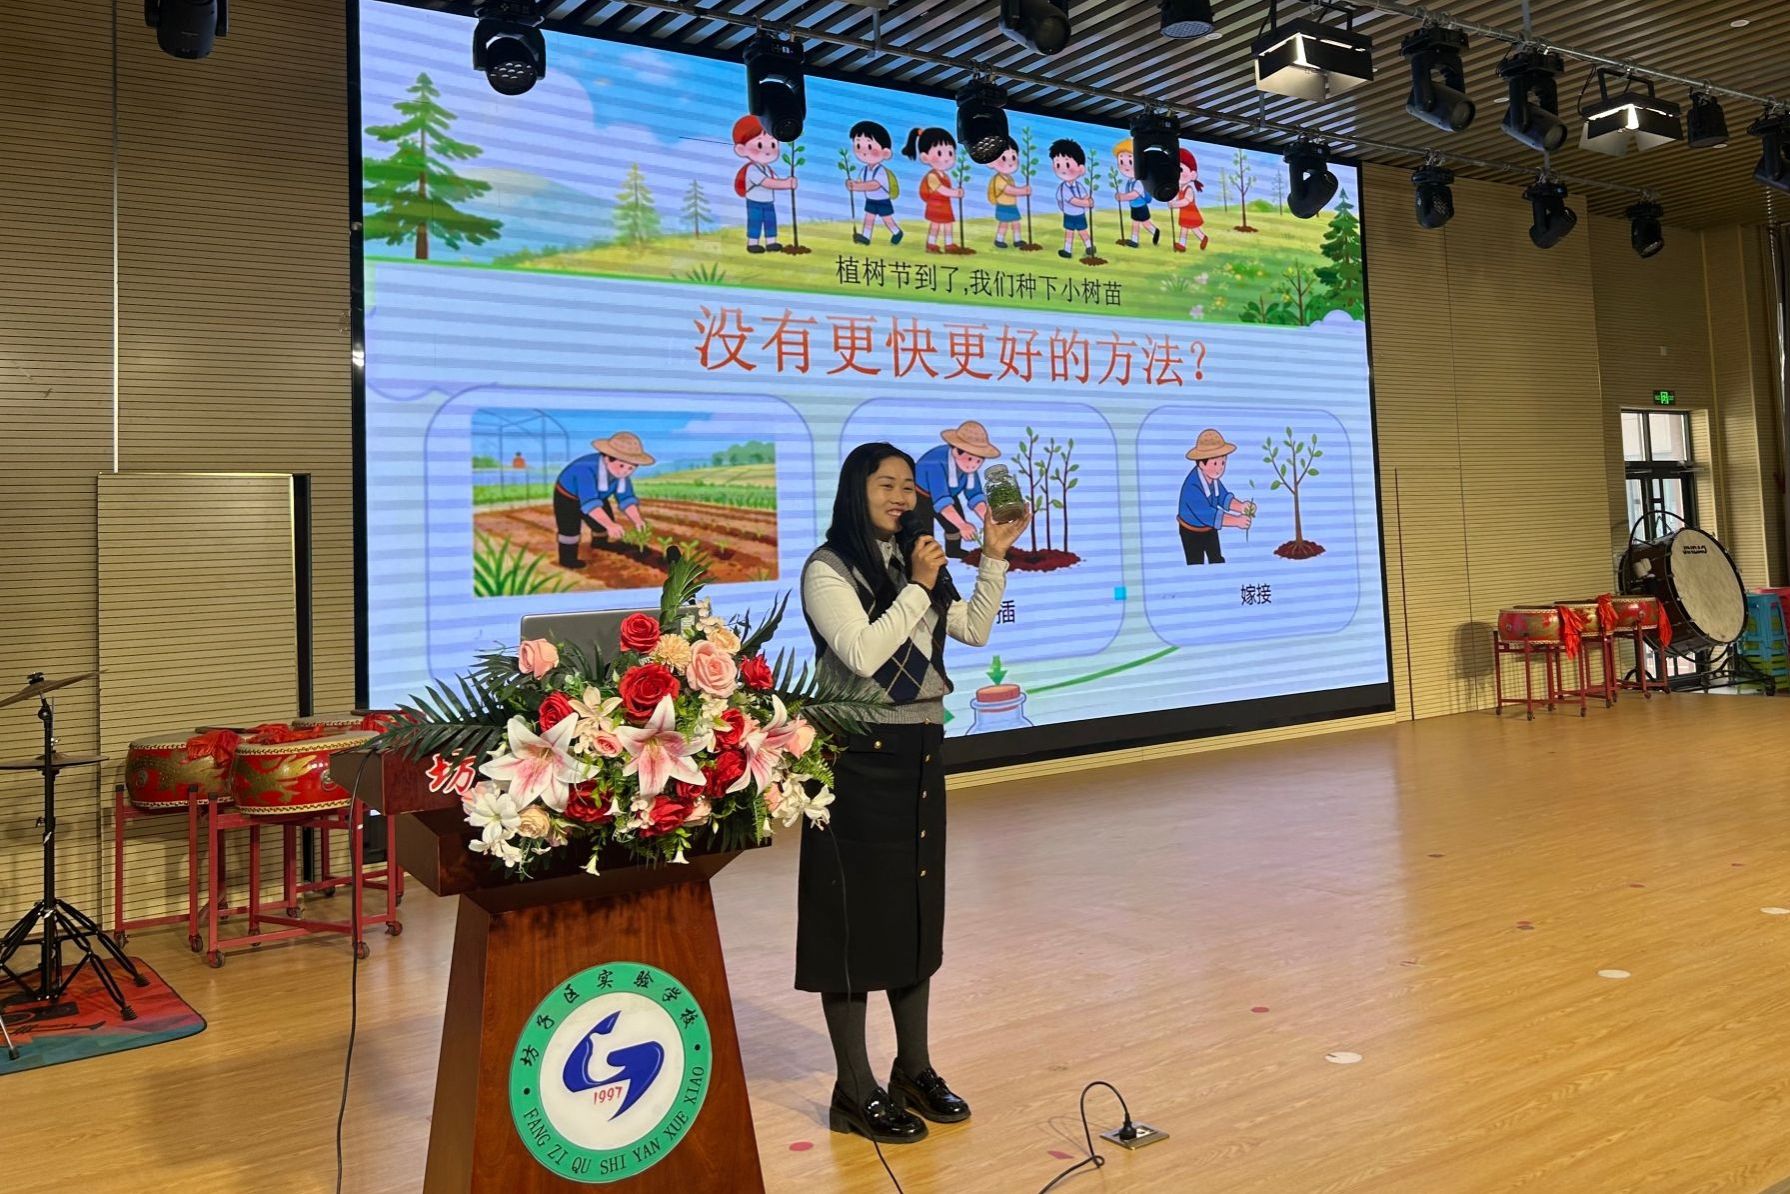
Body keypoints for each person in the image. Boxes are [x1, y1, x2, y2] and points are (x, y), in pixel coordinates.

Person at [798, 442, 1030, 1144]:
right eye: (886, 485)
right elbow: (863, 652)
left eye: (908, 486)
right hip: (853, 758)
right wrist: (918, 588)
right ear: (856, 490)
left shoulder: (916, 561)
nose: (901, 497)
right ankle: (853, 1088)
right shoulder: (827, 568)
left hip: (922, 750)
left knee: (914, 913)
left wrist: (992, 556)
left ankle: (913, 1068)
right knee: (852, 921)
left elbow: (973, 629)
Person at [553, 431, 654, 569]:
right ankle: (567, 559)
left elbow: (626, 498)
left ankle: (600, 543)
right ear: (607, 459)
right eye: (622, 466)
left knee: (601, 525)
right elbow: (590, 503)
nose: (624, 472)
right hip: (568, 497)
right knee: (570, 530)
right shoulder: (584, 470)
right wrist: (610, 525)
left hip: (598, 496)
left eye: (631, 468)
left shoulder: (621, 477)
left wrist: (637, 520)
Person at [913, 421, 1000, 560]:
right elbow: (941, 500)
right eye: (970, 459)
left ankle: (953, 551)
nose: (973, 465)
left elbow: (975, 496)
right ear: (956, 451)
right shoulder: (935, 463)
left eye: (978, 461)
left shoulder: (969, 470)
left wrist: (991, 521)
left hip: (948, 495)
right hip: (920, 495)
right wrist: (963, 525)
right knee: (925, 532)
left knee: (953, 528)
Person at [1178, 428, 1252, 564]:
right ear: (1201, 463)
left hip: (1209, 528)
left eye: (1223, 463)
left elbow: (1223, 498)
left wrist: (1241, 506)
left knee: (1217, 559)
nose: (1220, 468)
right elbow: (1209, 515)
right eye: (1215, 463)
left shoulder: (1213, 480)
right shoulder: (1192, 487)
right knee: (1195, 562)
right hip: (1191, 530)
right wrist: (1236, 521)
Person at [732, 115, 797, 254]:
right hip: (754, 202)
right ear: (742, 149)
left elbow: (774, 181)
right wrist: (786, 184)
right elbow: (767, 183)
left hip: (768, 201)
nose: (768, 150)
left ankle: (771, 242)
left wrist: (787, 183)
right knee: (755, 222)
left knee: (770, 222)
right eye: (760, 145)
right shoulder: (752, 169)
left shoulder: (768, 169)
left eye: (773, 144)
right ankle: (753, 243)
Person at [903, 126, 964, 254]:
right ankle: (931, 244)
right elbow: (941, 189)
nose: (946, 158)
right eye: (940, 153)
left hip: (945, 205)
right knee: (935, 225)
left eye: (950, 153)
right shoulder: (932, 176)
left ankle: (949, 244)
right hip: (936, 206)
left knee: (948, 225)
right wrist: (955, 193)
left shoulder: (944, 175)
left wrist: (955, 192)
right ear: (925, 157)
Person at [846, 120, 904, 246]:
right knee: (869, 218)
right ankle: (866, 237)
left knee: (887, 219)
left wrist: (857, 187)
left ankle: (897, 232)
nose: (863, 151)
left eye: (869, 146)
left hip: (882, 200)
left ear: (886, 152)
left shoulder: (881, 171)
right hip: (871, 200)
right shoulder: (865, 169)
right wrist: (852, 184)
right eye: (858, 145)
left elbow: (874, 185)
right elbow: (861, 182)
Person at [1111, 138, 1161, 248]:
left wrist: (1123, 197)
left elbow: (1135, 194)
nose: (1125, 166)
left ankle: (1149, 233)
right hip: (1134, 206)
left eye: (1130, 161)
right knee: (1138, 223)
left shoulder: (1139, 181)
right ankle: (1138, 239)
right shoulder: (1130, 181)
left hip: (1140, 206)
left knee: (1142, 223)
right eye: (1121, 162)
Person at [1050, 138, 1095, 259]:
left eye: (1067, 164)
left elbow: (1085, 195)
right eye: (1058, 164)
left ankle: (1090, 246)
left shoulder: (1079, 186)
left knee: (1082, 231)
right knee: (1069, 232)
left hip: (1080, 214)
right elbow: (1073, 201)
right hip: (1069, 214)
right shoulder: (1063, 188)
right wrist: (1086, 203)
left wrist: (1089, 200)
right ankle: (1067, 250)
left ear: (1081, 168)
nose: (1063, 169)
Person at [984, 136, 1031, 249]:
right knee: (1004, 224)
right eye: (1004, 158)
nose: (1010, 162)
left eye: (1013, 157)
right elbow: (1009, 190)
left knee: (1016, 223)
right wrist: (1023, 191)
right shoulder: (999, 179)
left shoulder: (1009, 178)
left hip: (1012, 205)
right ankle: (999, 240)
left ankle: (1017, 240)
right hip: (1003, 206)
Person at [1167, 147, 1209, 252]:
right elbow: (1176, 197)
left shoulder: (1189, 189)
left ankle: (1202, 238)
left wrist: (1175, 204)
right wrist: (1171, 200)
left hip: (1191, 213)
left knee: (1193, 228)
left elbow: (1186, 201)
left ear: (1192, 174)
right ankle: (1183, 244)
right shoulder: (1180, 188)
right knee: (1185, 228)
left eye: (1180, 170)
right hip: (1184, 213)